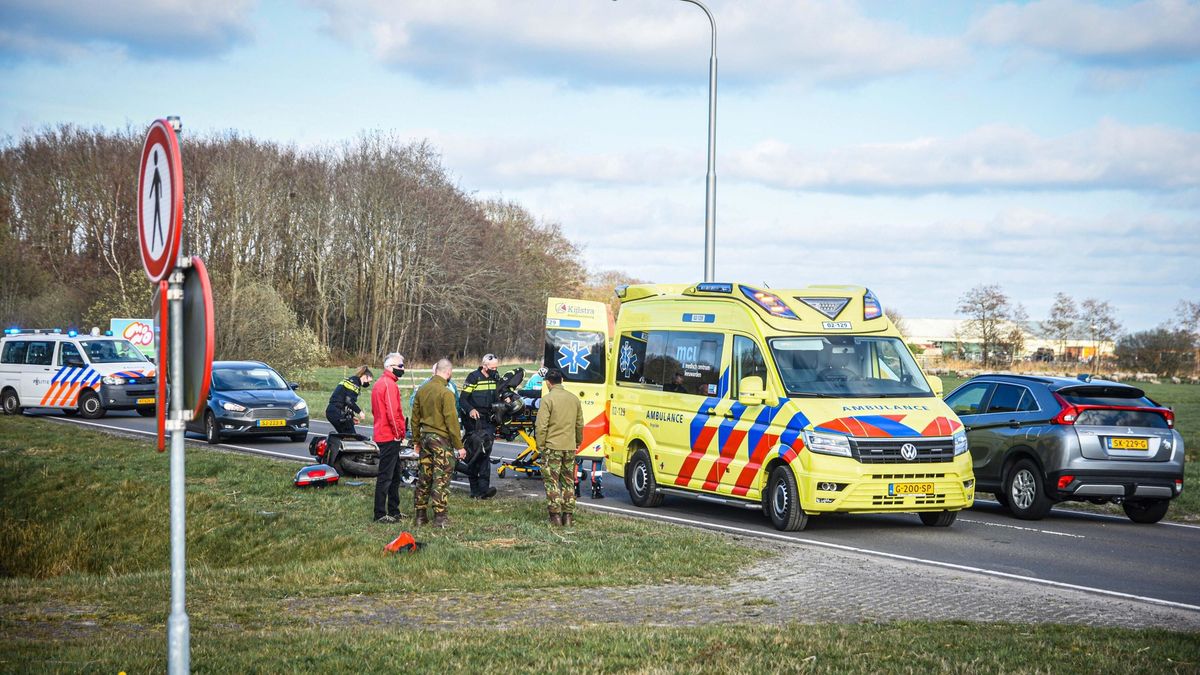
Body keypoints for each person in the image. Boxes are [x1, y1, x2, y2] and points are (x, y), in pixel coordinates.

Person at [411, 358, 467, 528]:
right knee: (441, 478)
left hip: (425, 438)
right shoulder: (446, 393)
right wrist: (459, 446)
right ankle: (440, 518)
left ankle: (420, 516)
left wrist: (416, 441)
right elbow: (452, 422)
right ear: (448, 372)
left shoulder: (422, 390)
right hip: (441, 441)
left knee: (424, 477)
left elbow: (414, 418)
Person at [534, 368, 584, 527]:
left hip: (552, 447)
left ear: (548, 382)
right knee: (568, 481)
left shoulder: (547, 399)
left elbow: (541, 426)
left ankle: (555, 517)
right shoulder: (574, 399)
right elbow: (579, 424)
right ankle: (568, 516)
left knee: (552, 481)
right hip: (569, 446)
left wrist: (540, 446)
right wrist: (577, 441)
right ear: (562, 380)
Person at [370, 353, 407, 524]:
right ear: (390, 367)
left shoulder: (380, 384)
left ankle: (394, 510)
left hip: (383, 433)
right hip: (389, 435)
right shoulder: (389, 385)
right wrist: (399, 433)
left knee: (395, 473)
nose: (403, 368)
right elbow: (393, 413)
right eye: (400, 366)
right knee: (386, 475)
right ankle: (380, 513)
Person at [459, 353, 500, 500]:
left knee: (485, 453)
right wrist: (470, 409)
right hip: (474, 422)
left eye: (496, 367)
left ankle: (484, 490)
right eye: (492, 368)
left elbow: (500, 394)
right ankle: (475, 489)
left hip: (489, 422)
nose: (495, 370)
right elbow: (463, 399)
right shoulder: (473, 377)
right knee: (475, 453)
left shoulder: (496, 378)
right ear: (484, 366)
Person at [326, 366, 372, 435]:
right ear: (365, 376)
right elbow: (349, 401)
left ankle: (333, 444)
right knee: (351, 436)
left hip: (334, 411)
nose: (369, 383)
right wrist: (360, 412)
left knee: (346, 436)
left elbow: (344, 400)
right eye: (369, 381)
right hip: (336, 412)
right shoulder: (354, 384)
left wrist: (352, 416)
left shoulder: (352, 380)